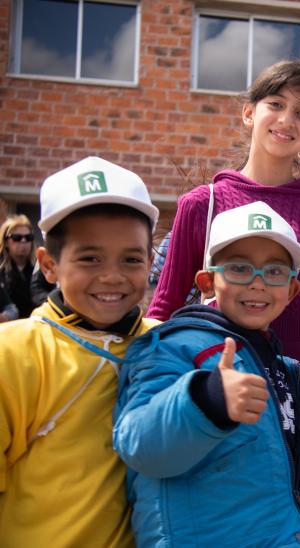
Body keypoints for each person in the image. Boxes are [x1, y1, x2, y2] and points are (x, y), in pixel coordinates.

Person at [147, 61, 300, 503]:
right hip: (217, 406)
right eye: (275, 104)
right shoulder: (200, 205)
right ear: (249, 113)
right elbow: (162, 312)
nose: (287, 120)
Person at [113, 201, 300, 547]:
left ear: (292, 290)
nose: (258, 283)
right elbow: (140, 444)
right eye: (238, 268)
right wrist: (206, 400)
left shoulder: (286, 371)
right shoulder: (172, 347)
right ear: (207, 282)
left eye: (275, 271)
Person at [0, 156, 159, 546]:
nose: (112, 275)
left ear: (151, 262)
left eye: (131, 259)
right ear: (49, 264)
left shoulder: (165, 344)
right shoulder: (13, 353)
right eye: (90, 258)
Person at [0, 214, 37, 318]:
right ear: (6, 242)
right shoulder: (1, 270)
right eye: (17, 238)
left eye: (28, 237)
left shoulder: (39, 270)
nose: (23, 241)